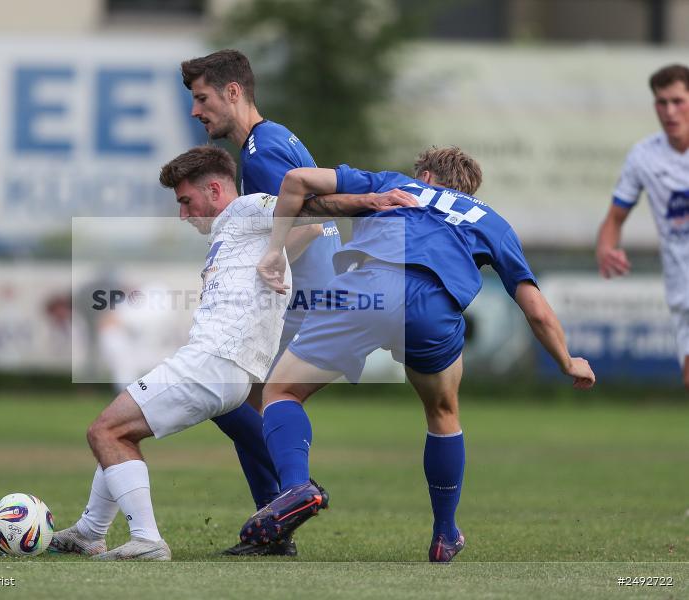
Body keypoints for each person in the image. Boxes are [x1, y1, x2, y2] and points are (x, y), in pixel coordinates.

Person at [48, 146, 407, 561]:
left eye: (186, 201)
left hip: (213, 361)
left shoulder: (245, 209)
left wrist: (370, 201)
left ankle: (146, 541)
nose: (183, 214)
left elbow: (311, 207)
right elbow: (297, 230)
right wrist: (279, 254)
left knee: (105, 432)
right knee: (121, 427)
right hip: (226, 369)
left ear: (215, 190)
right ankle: (90, 531)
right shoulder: (240, 235)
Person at [240, 147, 596, 562]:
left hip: (368, 290)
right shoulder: (492, 222)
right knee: (443, 412)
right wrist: (567, 361)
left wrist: (280, 241)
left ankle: (296, 488)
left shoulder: (394, 184)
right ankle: (445, 534)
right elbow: (535, 309)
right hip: (434, 307)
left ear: (426, 176)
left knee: (282, 391)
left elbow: (297, 179)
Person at [181, 48, 342, 556]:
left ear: (233, 92)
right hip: (317, 295)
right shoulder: (274, 139)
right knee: (239, 398)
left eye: (202, 98)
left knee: (233, 397)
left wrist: (259, 264)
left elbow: (309, 225)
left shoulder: (261, 153)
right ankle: (277, 518)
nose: (196, 111)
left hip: (310, 300)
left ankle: (284, 504)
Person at [596, 64, 689, 390]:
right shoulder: (644, 156)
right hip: (682, 285)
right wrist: (606, 248)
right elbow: (615, 218)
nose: (670, 111)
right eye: (662, 102)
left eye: (678, 101)